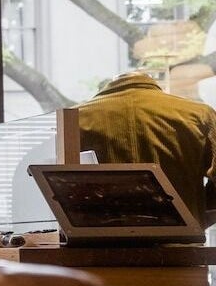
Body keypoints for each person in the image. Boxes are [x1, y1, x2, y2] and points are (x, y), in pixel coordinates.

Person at [75, 70, 216, 224]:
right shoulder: (199, 115)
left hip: (97, 241)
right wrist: (194, 213)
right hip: (181, 242)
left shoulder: (74, 118)